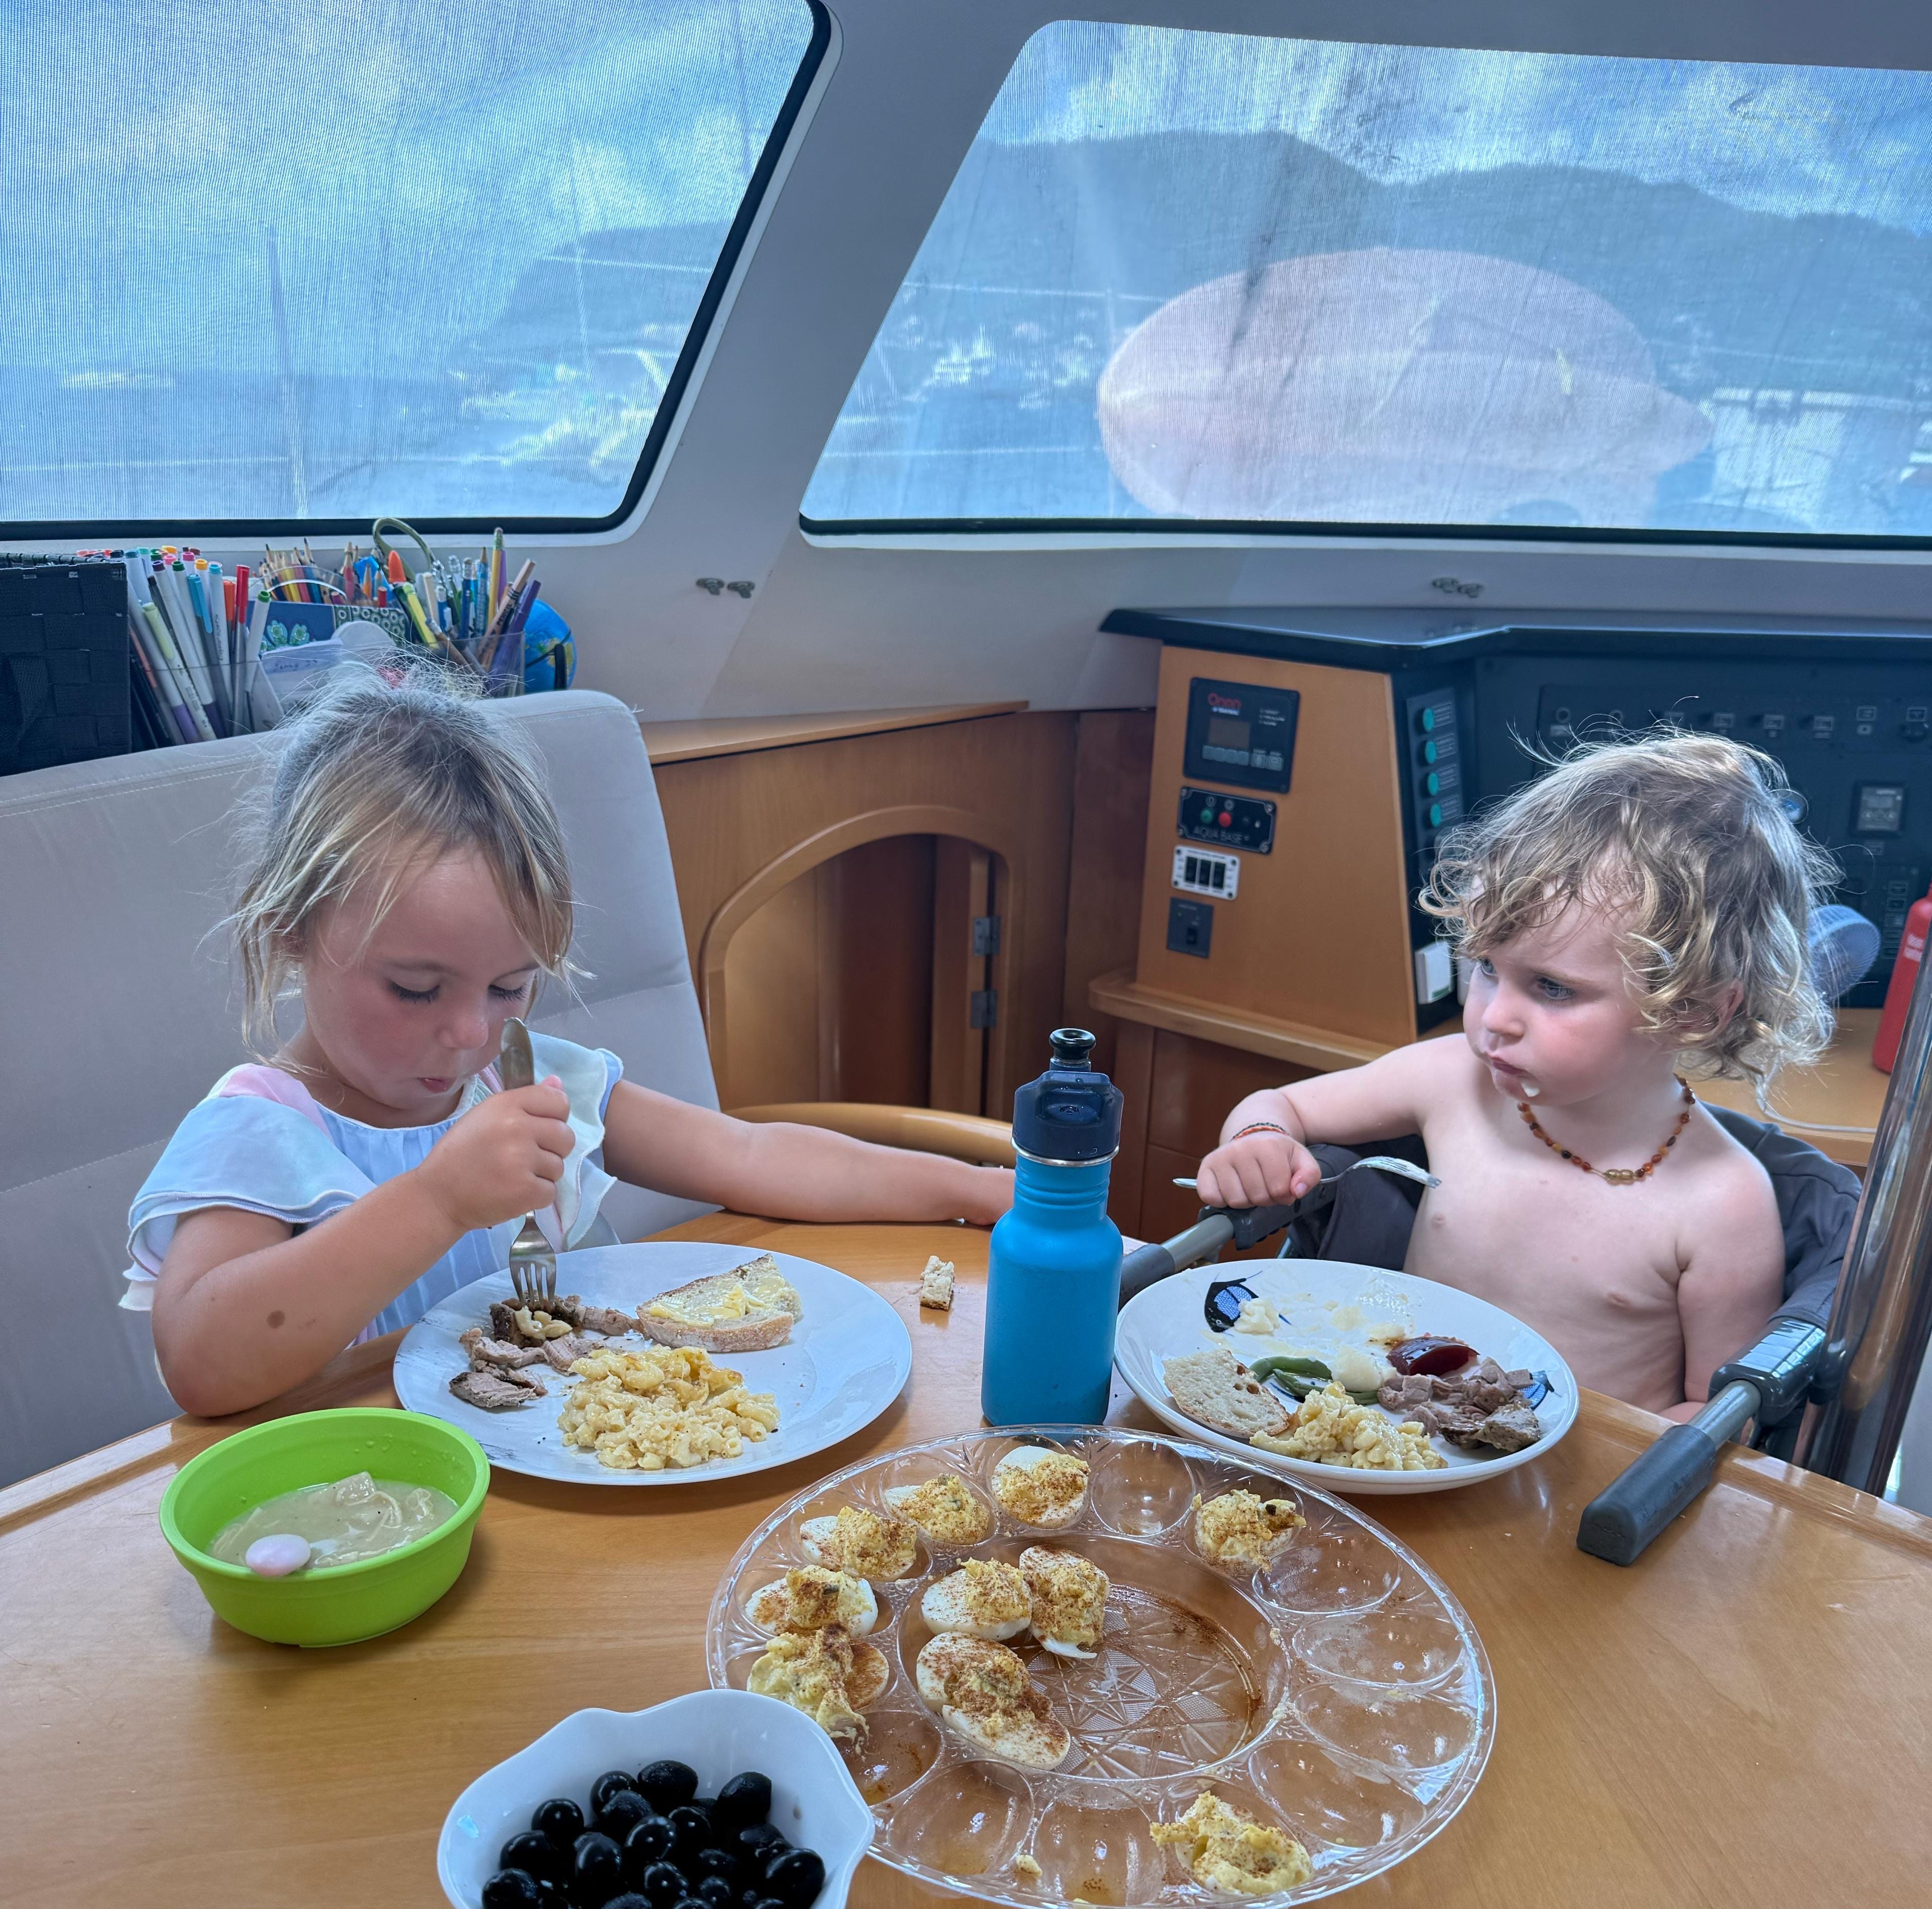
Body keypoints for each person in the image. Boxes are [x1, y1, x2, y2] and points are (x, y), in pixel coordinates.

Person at [126, 674, 1011, 1416]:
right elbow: (202, 1365)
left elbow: (749, 1154)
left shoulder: (527, 1079)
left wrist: (974, 1191)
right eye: (416, 989)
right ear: (288, 929)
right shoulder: (261, 1129)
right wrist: (437, 1201)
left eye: (509, 986)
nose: (472, 1034)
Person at [1194, 732, 1834, 1419]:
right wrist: (1259, 1141)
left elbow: (1719, 1420)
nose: (1494, 1018)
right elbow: (1280, 1105)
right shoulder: (1452, 1081)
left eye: (1553, 988)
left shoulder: (1725, 1204)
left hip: (1577, 1483)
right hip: (1393, 1446)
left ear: (1693, 1011)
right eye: (1488, 968)